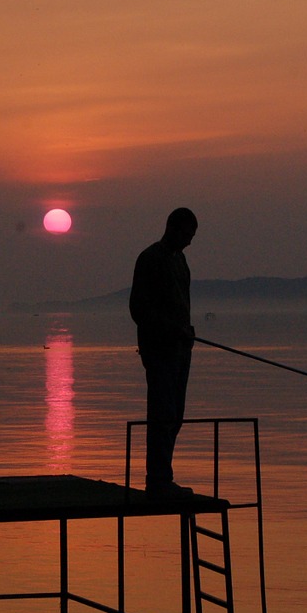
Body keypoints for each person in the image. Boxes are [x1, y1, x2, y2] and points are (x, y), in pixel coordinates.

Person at [130, 207, 198, 496]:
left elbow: (182, 305)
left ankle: (163, 476)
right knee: (163, 411)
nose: (190, 242)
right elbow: (139, 309)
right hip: (160, 351)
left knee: (176, 414)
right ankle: (157, 479)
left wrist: (187, 331)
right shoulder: (150, 259)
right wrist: (170, 329)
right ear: (173, 228)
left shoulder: (181, 261)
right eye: (187, 234)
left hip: (182, 350)